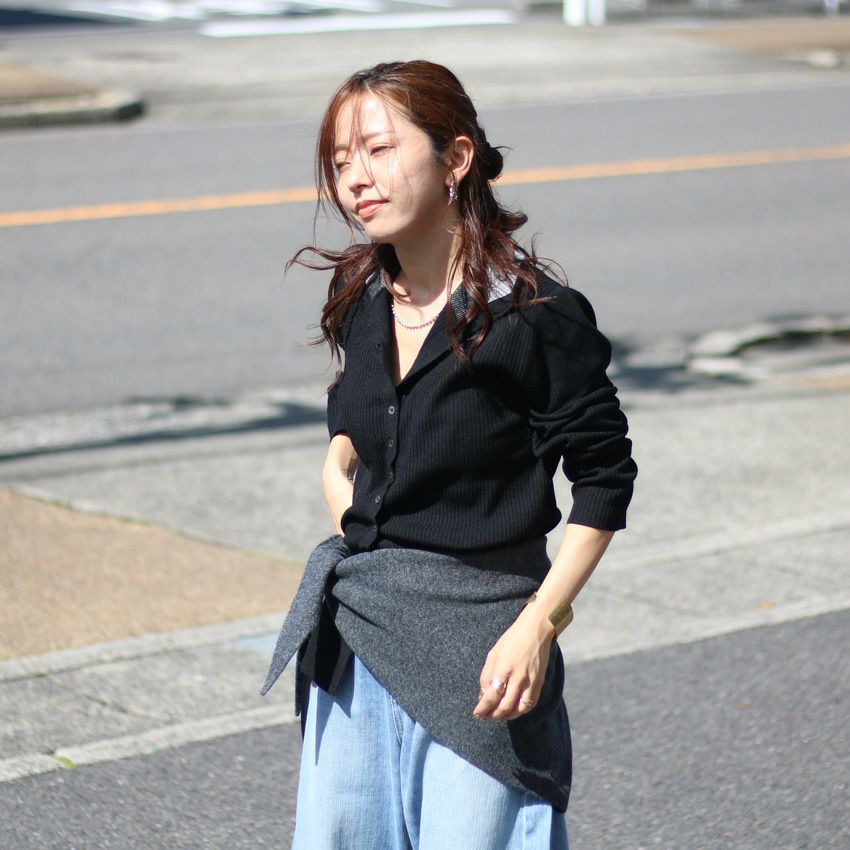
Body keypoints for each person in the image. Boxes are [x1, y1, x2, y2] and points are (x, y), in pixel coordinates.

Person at [261, 59, 637, 850]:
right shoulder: (363, 297)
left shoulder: (534, 317)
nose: (355, 178)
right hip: (358, 636)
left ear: (456, 158)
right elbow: (353, 432)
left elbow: (604, 480)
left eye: (378, 150)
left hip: (482, 648)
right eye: (340, 160)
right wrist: (342, 488)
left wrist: (539, 625)